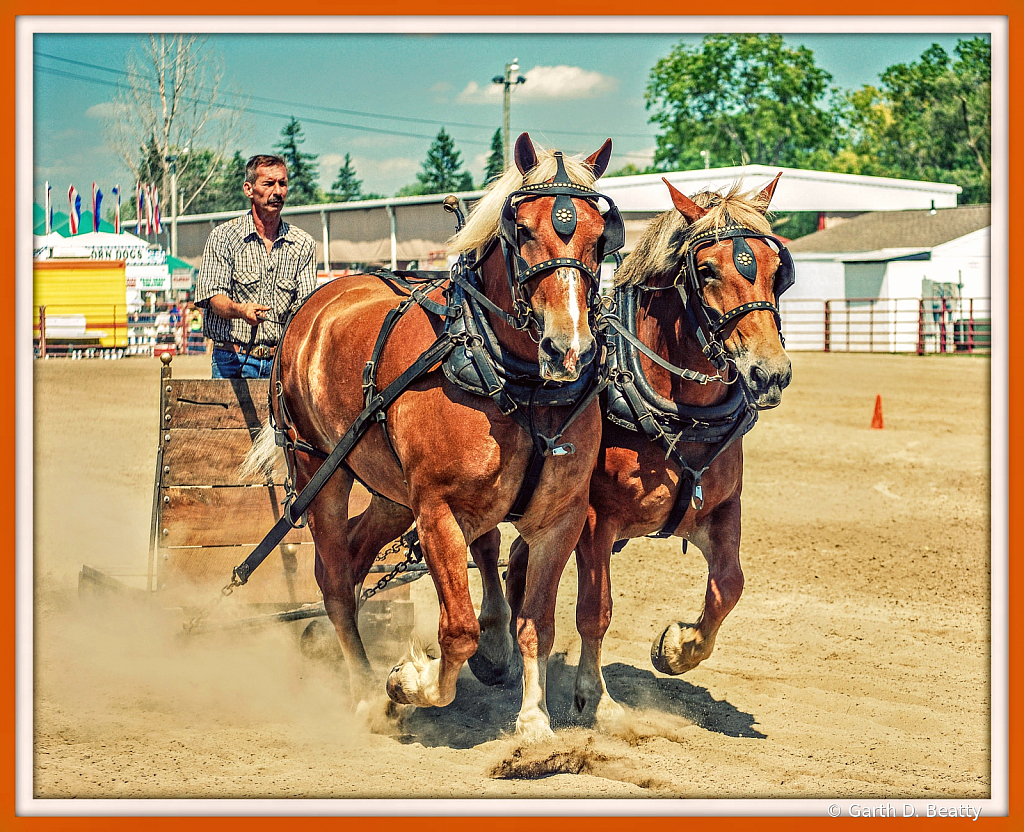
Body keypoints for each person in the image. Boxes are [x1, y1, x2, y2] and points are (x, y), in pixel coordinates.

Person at [194, 154, 317, 378]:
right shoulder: (224, 238)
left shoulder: (303, 244)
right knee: (229, 416)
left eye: (283, 183)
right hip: (232, 359)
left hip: (282, 362)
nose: (277, 191)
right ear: (249, 189)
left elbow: (305, 310)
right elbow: (213, 298)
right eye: (268, 184)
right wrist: (240, 310)